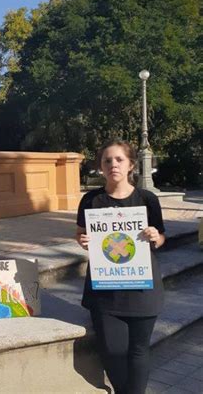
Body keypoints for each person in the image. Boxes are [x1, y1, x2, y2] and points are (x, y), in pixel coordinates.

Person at [76, 139, 165, 394]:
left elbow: (161, 238)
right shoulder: (91, 200)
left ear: (131, 165)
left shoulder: (147, 199)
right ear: (100, 167)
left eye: (119, 160)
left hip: (142, 289)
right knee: (113, 351)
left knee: (138, 350)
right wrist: (83, 241)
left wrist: (154, 236)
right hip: (106, 290)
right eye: (107, 160)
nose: (113, 164)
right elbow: (81, 233)